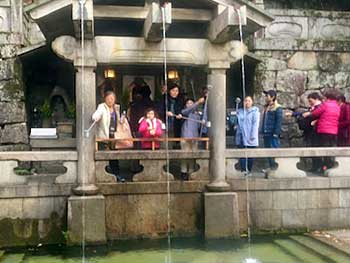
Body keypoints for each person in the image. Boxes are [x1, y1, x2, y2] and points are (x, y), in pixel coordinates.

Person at [303, 89, 340, 172]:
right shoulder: (337, 106)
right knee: (330, 150)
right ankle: (329, 167)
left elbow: (316, 113)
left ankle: (322, 167)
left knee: (322, 149)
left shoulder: (326, 105)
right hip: (333, 131)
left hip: (324, 131)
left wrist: (309, 115)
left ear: (327, 97)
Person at [92, 91, 125, 182]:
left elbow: (119, 121)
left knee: (115, 157)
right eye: (108, 98)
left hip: (115, 136)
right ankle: (104, 175)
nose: (110, 100)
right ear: (105, 99)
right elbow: (96, 115)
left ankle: (117, 175)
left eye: (112, 99)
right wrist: (96, 117)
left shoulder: (116, 108)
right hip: (105, 136)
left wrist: (122, 118)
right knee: (105, 156)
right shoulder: (102, 107)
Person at [180, 97, 205, 180]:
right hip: (185, 137)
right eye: (188, 103)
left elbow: (199, 126)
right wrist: (198, 102)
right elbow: (188, 110)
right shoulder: (184, 112)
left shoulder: (197, 114)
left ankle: (191, 171)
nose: (190, 105)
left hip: (195, 137)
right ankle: (183, 171)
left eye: (191, 103)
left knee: (192, 156)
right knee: (184, 155)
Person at [235, 96, 260, 173]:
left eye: (249, 101)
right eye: (246, 101)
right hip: (241, 135)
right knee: (242, 155)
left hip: (250, 136)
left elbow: (255, 125)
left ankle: (249, 170)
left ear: (252, 102)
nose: (247, 102)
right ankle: (243, 170)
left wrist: (253, 136)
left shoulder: (255, 112)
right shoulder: (240, 112)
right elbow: (237, 122)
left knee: (250, 156)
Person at [261, 90, 283, 171]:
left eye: (267, 96)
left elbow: (279, 121)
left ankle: (276, 167)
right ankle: (271, 166)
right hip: (266, 132)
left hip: (272, 133)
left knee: (274, 150)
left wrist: (276, 133)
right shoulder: (266, 107)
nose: (266, 98)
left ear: (272, 97)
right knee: (268, 151)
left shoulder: (278, 108)